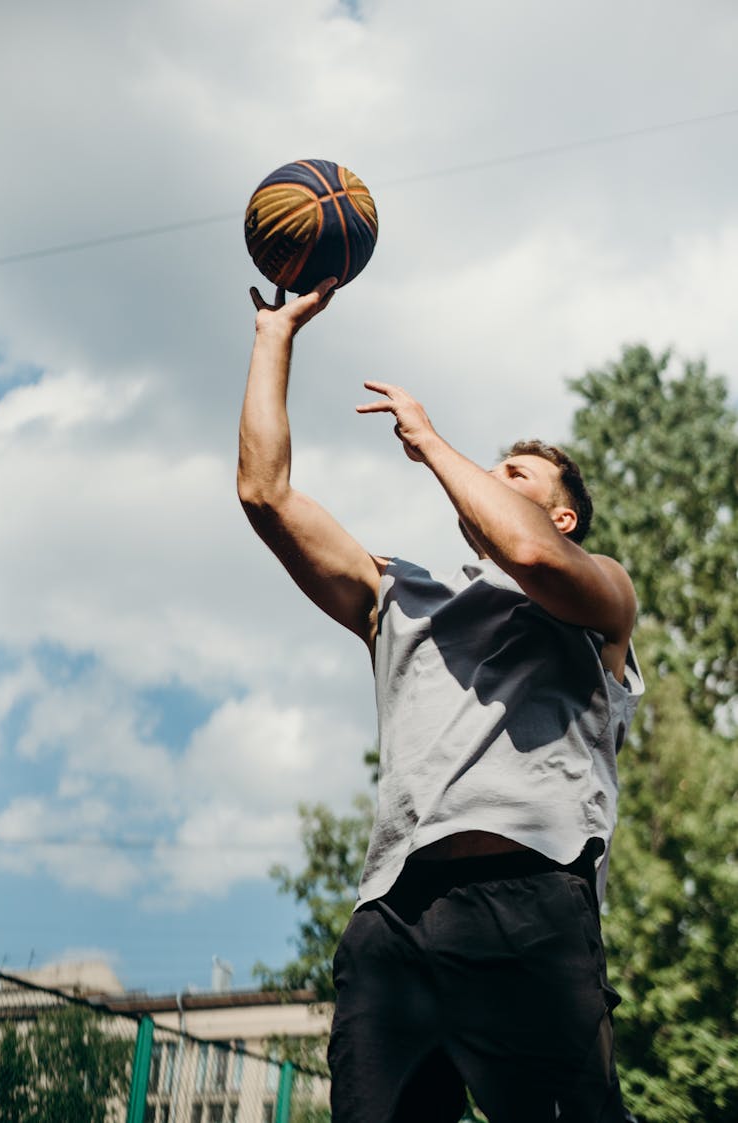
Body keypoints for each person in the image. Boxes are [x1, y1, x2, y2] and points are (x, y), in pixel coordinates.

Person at [237, 278, 644, 1123]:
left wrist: (431, 441)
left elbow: (527, 552)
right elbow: (265, 496)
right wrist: (273, 335)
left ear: (566, 513)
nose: (492, 478)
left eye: (516, 471)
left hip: (531, 902)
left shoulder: (597, 594)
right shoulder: (404, 594)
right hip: (395, 923)